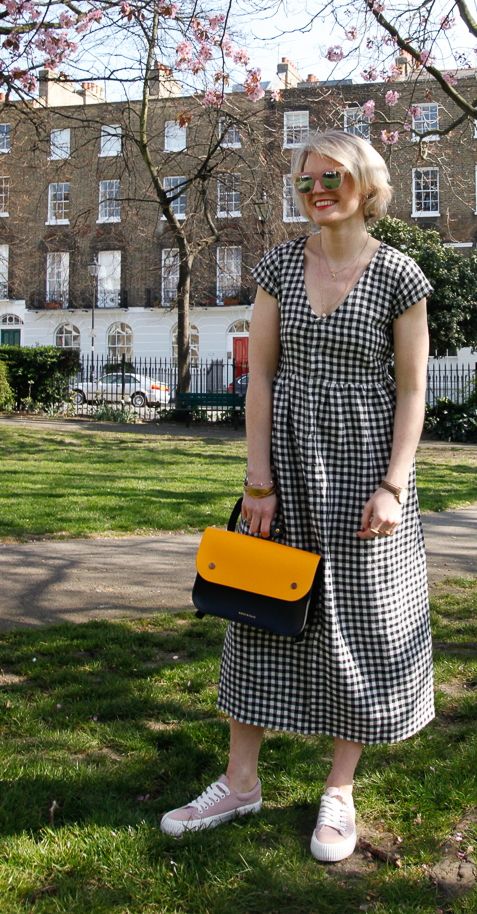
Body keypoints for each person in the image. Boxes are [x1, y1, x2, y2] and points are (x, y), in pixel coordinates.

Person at [160, 129, 434, 862]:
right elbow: (259, 379)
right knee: (256, 614)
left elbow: (412, 389)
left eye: (332, 176)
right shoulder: (280, 265)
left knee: (361, 623)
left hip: (364, 474)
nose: (317, 190)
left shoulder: (401, 275)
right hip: (282, 465)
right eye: (306, 179)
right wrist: (257, 478)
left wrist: (393, 486)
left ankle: (338, 792)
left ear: (365, 185)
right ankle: (240, 781)